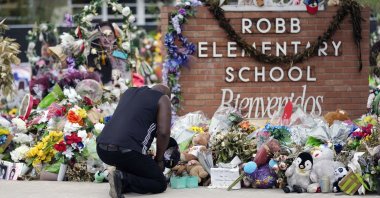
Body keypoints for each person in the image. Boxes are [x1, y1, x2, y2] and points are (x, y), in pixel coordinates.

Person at [96, 84, 171, 198]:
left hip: (102, 149)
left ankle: (119, 179)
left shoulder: (129, 91)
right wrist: (159, 160)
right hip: (127, 151)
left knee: (133, 166)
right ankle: (123, 179)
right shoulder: (162, 98)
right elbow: (164, 132)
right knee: (159, 183)